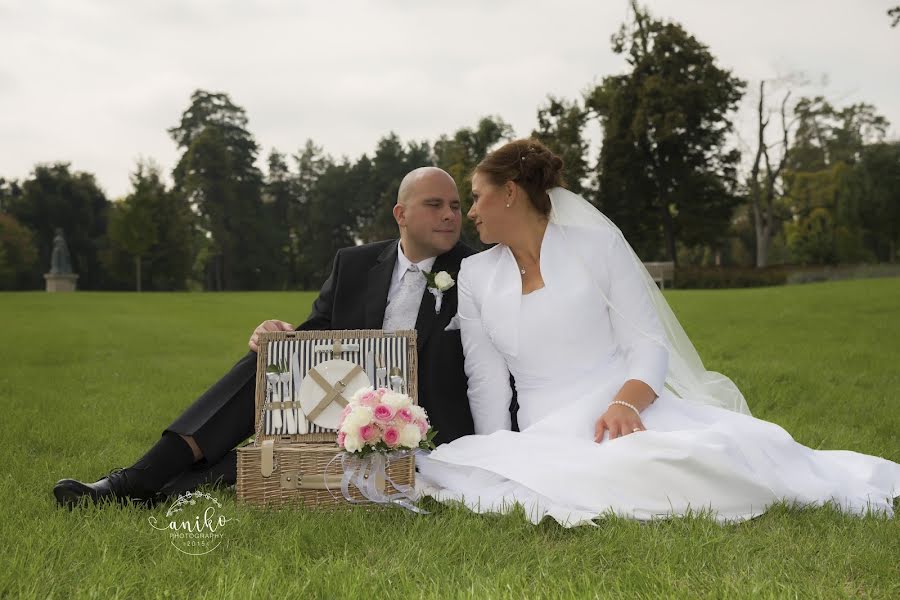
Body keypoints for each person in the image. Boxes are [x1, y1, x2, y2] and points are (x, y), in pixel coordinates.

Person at [415, 139, 900, 526]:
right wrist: (503, 455)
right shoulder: (477, 275)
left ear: (511, 192)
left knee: (694, 461)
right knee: (578, 478)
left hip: (623, 409)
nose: (470, 212)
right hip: (544, 426)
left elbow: (647, 343)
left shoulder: (597, 245)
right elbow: (487, 378)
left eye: (476, 197)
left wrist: (625, 404)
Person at [54, 166, 478, 507]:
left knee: (258, 463)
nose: (450, 215)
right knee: (264, 361)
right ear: (400, 214)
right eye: (435, 204)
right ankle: (138, 478)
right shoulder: (354, 263)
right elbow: (315, 336)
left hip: (421, 421)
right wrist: (276, 335)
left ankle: (162, 492)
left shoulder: (477, 271)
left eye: (456, 206)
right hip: (340, 401)